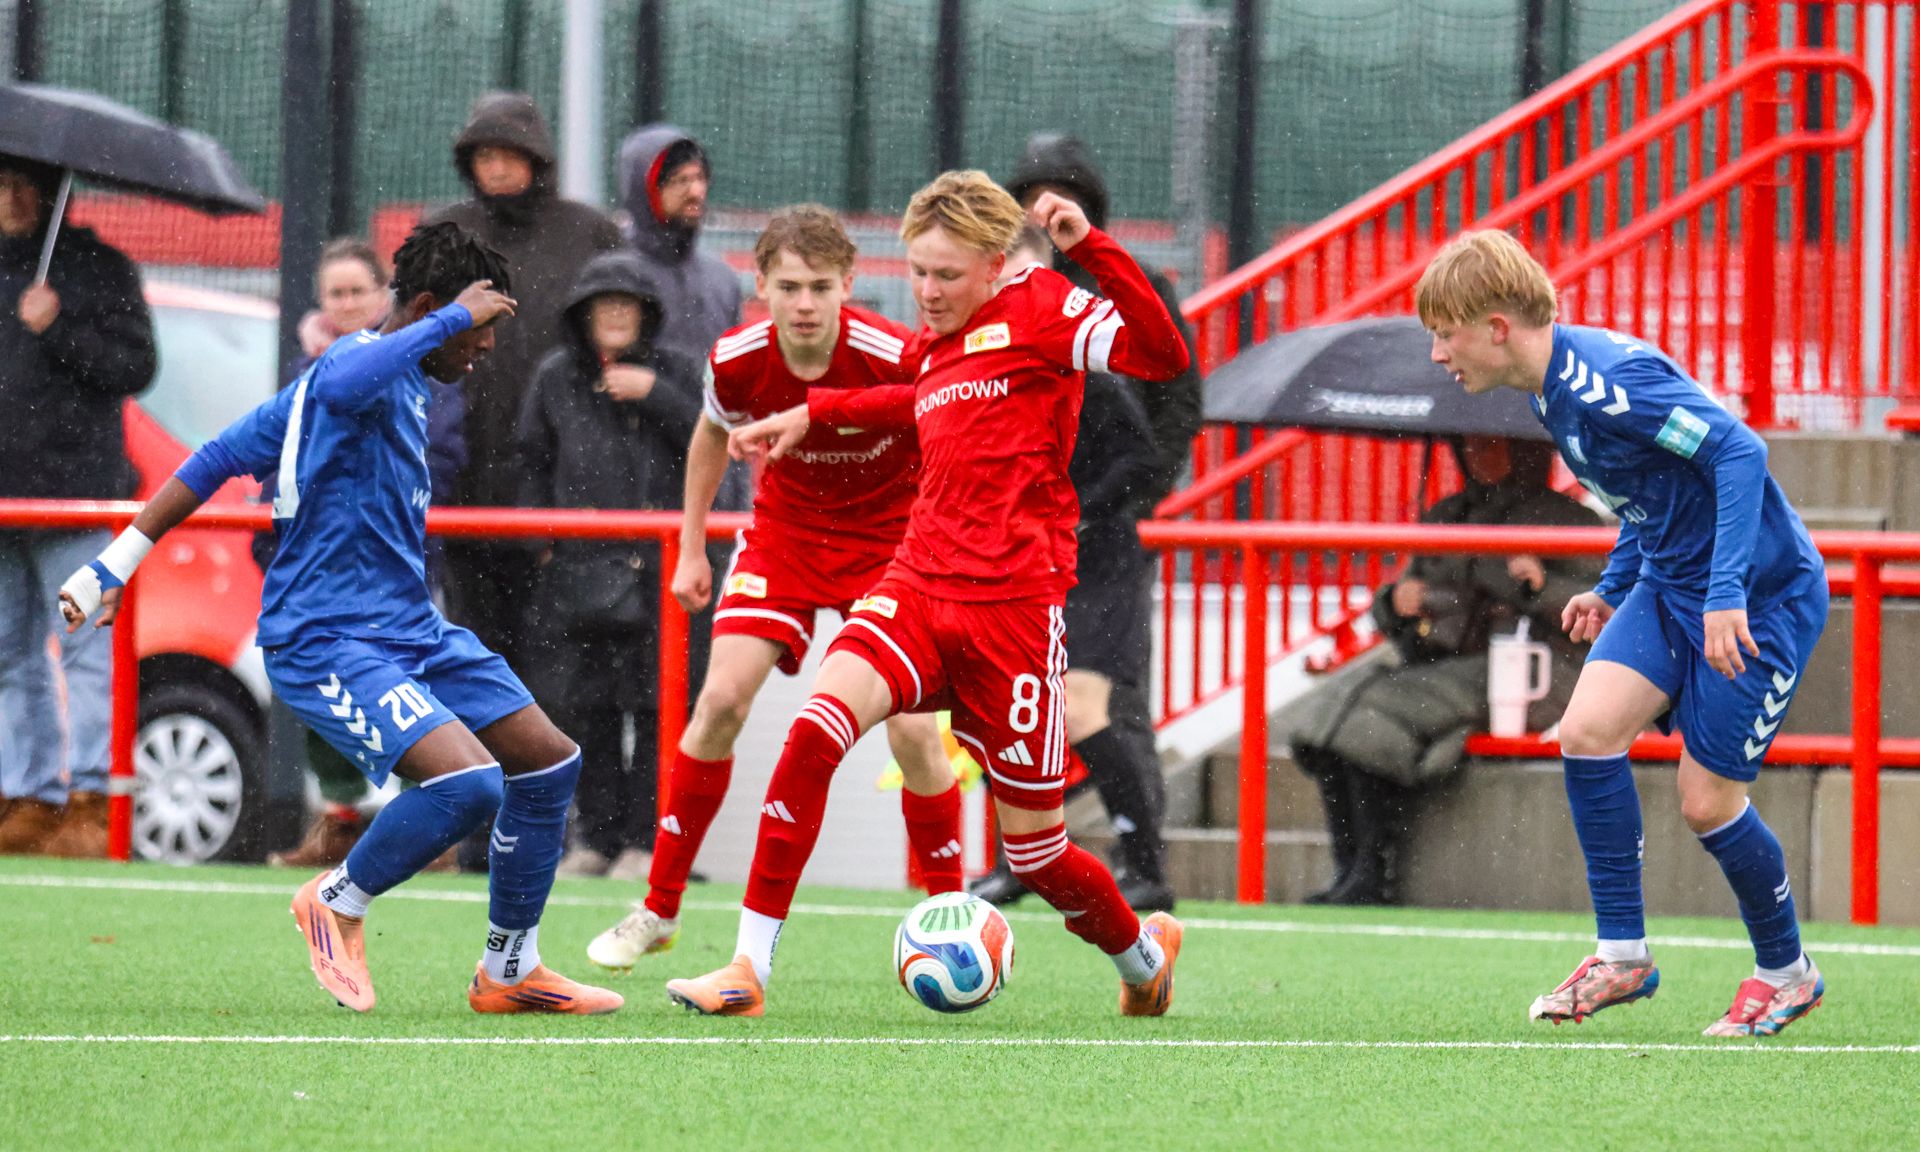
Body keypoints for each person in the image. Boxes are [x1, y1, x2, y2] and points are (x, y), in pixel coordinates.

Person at [60, 221, 621, 1016]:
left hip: (408, 632)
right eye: (480, 328)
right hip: (326, 637)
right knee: (467, 784)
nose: (485, 347)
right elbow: (345, 377)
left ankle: (510, 969)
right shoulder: (349, 367)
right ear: (431, 309)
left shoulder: (379, 386)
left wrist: (112, 563)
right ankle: (337, 900)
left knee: (547, 763)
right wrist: (455, 318)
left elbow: (213, 458)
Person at [664, 172, 1191, 1018]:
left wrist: (1089, 245)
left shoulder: (1044, 310)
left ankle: (1140, 955)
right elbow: (914, 393)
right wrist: (818, 413)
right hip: (916, 585)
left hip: (1013, 615)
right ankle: (746, 969)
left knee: (1039, 854)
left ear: (993, 266)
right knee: (812, 731)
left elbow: (1163, 356)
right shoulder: (936, 339)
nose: (927, 292)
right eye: (915, 271)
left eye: (946, 275)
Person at [1419, 229, 1829, 1038]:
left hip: (1761, 597)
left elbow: (1739, 453)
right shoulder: (1550, 391)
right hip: (1673, 587)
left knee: (1707, 805)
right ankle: (1623, 957)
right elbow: (1654, 497)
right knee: (1586, 731)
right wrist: (1610, 589)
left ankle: (1787, 974)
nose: (1438, 353)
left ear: (1498, 326)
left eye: (1446, 331)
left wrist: (1723, 595)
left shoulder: (1610, 384)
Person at [583, 205, 962, 971]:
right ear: (760, 286)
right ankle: (658, 908)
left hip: (889, 546)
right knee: (720, 700)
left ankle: (947, 914)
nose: (805, 303)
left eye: (821, 286)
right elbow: (710, 438)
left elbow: (950, 433)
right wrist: (692, 547)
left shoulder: (895, 352)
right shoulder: (737, 359)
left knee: (917, 732)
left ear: (849, 285)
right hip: (784, 539)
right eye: (788, 286)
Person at [1282, 436, 1600, 906]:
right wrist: (1397, 602)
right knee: (1330, 711)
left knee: (1371, 713)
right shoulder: (1447, 514)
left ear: (1526, 453)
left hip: (1536, 671)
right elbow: (1413, 600)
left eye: (1492, 447)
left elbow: (1604, 613)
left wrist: (1541, 586)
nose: (1477, 455)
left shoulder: (1570, 521)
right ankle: (1351, 869)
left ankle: (1371, 872)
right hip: (1444, 663)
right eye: (1468, 447)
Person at [970, 224, 1174, 912]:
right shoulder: (982, 362)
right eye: (1001, 274)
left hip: (1097, 561)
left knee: (1082, 710)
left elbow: (1145, 459)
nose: (1014, 289)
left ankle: (1145, 864)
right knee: (1008, 711)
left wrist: (1080, 507)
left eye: (1027, 273)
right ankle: (1017, 861)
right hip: (1023, 560)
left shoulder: (1083, 359)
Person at [264, 238, 467, 872]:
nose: (348, 303)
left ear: (386, 296)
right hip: (317, 575)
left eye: (359, 290)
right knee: (319, 693)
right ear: (321, 303)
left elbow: (443, 458)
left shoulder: (424, 368)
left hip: (398, 573)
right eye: (336, 293)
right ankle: (340, 818)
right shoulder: (308, 372)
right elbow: (276, 461)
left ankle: (428, 821)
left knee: (412, 688)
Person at [515, 250, 702, 882]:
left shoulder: (677, 370)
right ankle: (595, 840)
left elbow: (714, 443)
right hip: (580, 572)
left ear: (647, 315)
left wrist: (655, 396)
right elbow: (530, 461)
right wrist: (544, 537)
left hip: (662, 572)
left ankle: (646, 846)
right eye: (605, 303)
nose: (616, 314)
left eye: (628, 304)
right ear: (584, 314)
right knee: (587, 708)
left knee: (658, 712)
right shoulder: (555, 376)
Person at [428, 93, 622, 673]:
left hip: (563, 480)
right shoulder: (445, 232)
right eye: (484, 155)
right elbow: (402, 325)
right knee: (476, 651)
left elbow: (629, 326)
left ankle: (553, 765)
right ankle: (483, 765)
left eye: (510, 153)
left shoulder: (589, 233)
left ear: (537, 158)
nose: (497, 167)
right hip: (463, 478)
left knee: (561, 657)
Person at [0, 155, 156, 857]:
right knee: (8, 655)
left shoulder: (100, 268)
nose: (7, 200)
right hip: (5, 504)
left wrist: (57, 325)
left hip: (76, 493)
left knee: (85, 651)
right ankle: (29, 795)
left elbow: (135, 367)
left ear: (49, 190)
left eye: (18, 186)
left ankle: (92, 801)